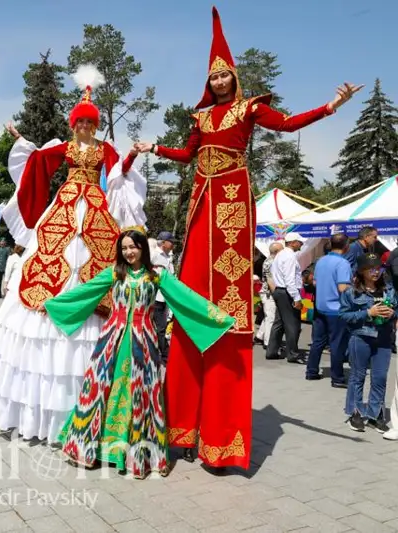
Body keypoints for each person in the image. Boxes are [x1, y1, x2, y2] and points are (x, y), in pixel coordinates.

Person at [133, 6, 362, 470]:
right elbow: (186, 155)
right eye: (212, 76)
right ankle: (184, 430)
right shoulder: (200, 119)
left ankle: (220, 436)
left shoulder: (249, 108)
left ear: (233, 77)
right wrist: (152, 147)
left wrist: (330, 108)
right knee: (192, 300)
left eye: (223, 75)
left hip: (234, 206)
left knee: (230, 310)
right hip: (202, 205)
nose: (218, 82)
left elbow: (289, 124)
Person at [0, 64, 146, 442]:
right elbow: (39, 160)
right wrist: (21, 139)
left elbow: (119, 171)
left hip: (97, 213)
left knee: (96, 272)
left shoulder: (106, 150)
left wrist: (132, 158)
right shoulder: (64, 147)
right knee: (52, 266)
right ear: (75, 123)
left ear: (96, 124)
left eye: (90, 122)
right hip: (65, 209)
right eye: (81, 122)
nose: (85, 127)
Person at [45, 229, 234, 478]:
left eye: (132, 247)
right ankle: (92, 449)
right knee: (101, 389)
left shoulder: (156, 276)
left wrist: (219, 317)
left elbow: (185, 298)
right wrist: (51, 304)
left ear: (143, 248)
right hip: (111, 341)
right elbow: (86, 292)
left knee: (140, 395)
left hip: (143, 342)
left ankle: (138, 455)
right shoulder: (114, 273)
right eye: (124, 248)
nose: (128, 252)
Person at [340, 254, 396, 433]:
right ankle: (355, 412)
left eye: (378, 268)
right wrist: (367, 313)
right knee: (358, 376)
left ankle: (375, 414)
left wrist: (392, 314)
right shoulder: (352, 291)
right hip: (361, 337)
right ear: (362, 271)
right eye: (371, 269)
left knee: (380, 378)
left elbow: (396, 309)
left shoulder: (388, 288)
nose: (376, 272)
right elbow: (344, 315)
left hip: (384, 338)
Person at [306, 233, 351, 387]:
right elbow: (343, 287)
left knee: (318, 341)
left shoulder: (321, 261)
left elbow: (315, 283)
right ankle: (337, 377)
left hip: (320, 306)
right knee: (337, 344)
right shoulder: (343, 263)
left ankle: (311, 371)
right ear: (347, 246)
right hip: (336, 308)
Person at [267, 233, 307, 363]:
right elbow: (289, 279)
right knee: (292, 323)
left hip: (280, 290)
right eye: (299, 242)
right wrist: (296, 297)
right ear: (293, 242)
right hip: (287, 291)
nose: (301, 244)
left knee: (279, 322)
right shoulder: (289, 256)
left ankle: (272, 351)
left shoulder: (280, 254)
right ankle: (292, 353)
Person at [152, 231, 176, 363]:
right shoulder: (154, 255)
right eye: (170, 241)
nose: (173, 244)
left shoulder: (168, 257)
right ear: (163, 243)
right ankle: (166, 355)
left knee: (162, 326)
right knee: (161, 327)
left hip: (166, 297)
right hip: (156, 297)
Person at [256, 241, 283, 351]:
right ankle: (268, 342)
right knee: (271, 317)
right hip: (269, 293)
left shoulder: (270, 260)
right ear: (277, 251)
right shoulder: (272, 262)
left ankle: (260, 335)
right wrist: (275, 293)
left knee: (268, 315)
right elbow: (270, 279)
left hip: (268, 292)